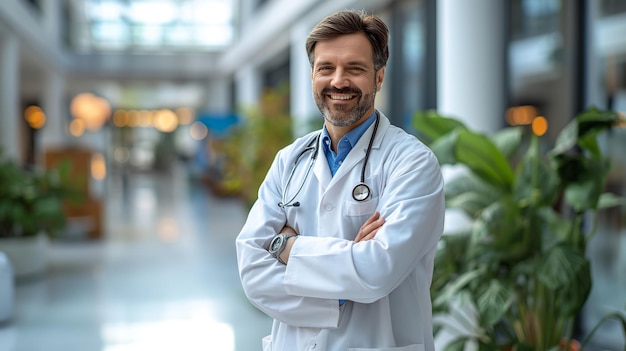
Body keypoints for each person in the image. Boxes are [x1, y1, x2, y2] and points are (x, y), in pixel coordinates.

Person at [235, 9, 445, 351]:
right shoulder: (290, 160)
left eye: (355, 68)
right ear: (313, 75)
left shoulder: (413, 163)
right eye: (326, 68)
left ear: (378, 78)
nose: (338, 81)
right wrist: (345, 281)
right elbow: (253, 272)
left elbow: (378, 269)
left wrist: (285, 247)